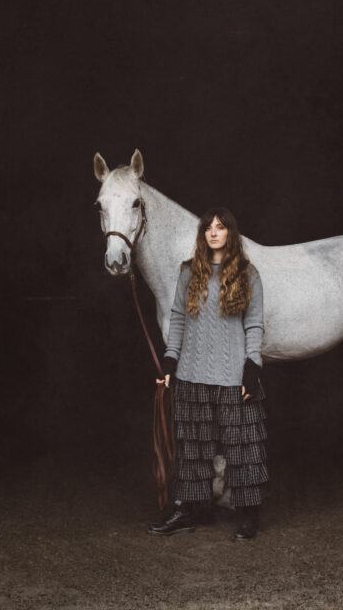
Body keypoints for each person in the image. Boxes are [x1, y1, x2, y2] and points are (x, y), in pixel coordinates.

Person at [148, 207, 268, 540]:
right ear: (203, 235)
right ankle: (188, 511)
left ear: (231, 233)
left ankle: (247, 515)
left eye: (221, 227)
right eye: (208, 228)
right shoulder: (189, 272)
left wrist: (252, 367)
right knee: (193, 449)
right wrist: (170, 362)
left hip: (234, 375)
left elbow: (255, 323)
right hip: (192, 372)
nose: (214, 233)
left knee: (243, 447)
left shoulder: (248, 273)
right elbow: (178, 319)